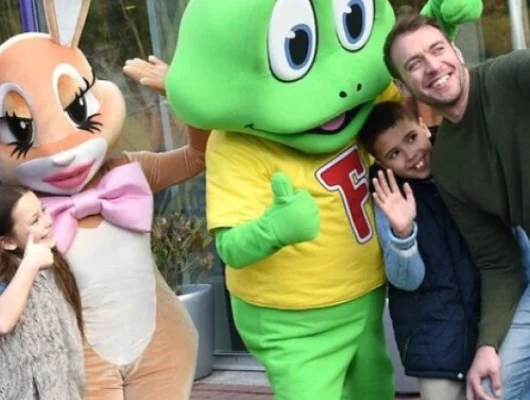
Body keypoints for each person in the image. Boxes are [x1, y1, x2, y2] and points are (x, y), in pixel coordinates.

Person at [383, 13, 530, 400]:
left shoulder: (513, 75)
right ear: (404, 85)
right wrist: (486, 346)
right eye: (414, 64)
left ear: (457, 52)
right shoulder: (446, 163)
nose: (432, 67)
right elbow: (498, 261)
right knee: (490, 389)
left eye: (437, 50)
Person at [358, 101, 480, 400]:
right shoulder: (388, 199)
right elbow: (406, 280)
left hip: (488, 330)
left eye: (411, 138)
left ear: (424, 126)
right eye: (394, 154)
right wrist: (403, 232)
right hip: (433, 345)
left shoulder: (462, 164)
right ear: (383, 163)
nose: (411, 155)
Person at [0, 185, 84, 399]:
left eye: (44, 210)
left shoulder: (53, 267)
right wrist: (30, 265)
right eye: (35, 220)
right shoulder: (10, 274)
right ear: (7, 242)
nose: (48, 221)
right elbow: (3, 320)